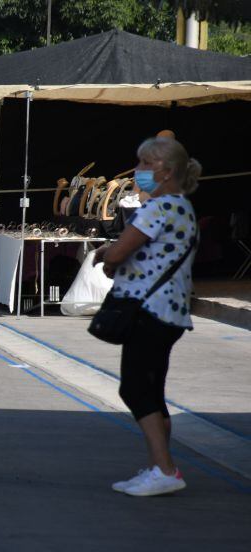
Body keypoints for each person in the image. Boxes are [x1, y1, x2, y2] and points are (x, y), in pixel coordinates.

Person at [94, 137, 201, 497]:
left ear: (166, 172)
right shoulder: (183, 206)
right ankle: (160, 466)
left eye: (143, 164)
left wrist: (107, 257)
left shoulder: (157, 209)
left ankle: (166, 470)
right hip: (170, 313)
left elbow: (121, 250)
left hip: (148, 311)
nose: (137, 171)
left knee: (136, 388)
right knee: (152, 390)